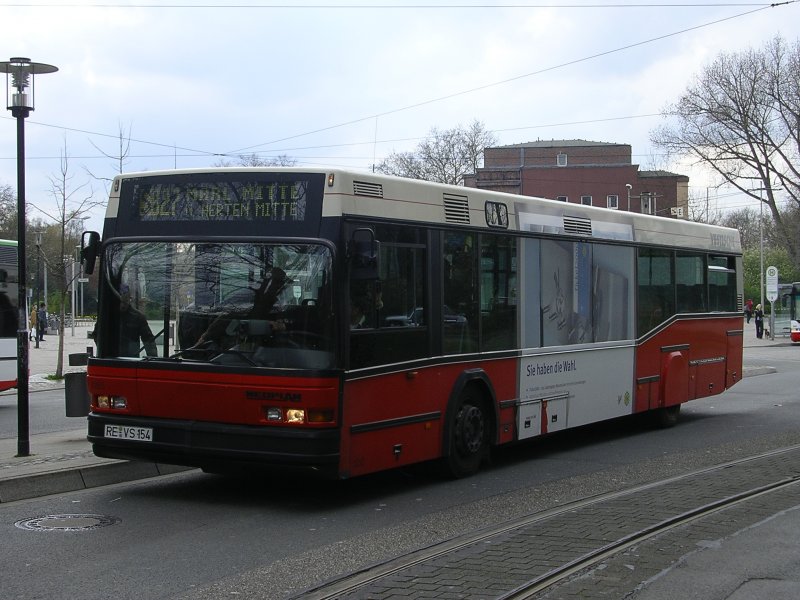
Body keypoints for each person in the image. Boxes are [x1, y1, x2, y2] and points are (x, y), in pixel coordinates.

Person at [118, 287, 157, 357]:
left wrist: (153, 359)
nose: (122, 305)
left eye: (125, 301)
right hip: (110, 359)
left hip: (131, 360)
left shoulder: (138, 317)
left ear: (129, 300)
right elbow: (97, 335)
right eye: (120, 301)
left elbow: (148, 340)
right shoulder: (107, 315)